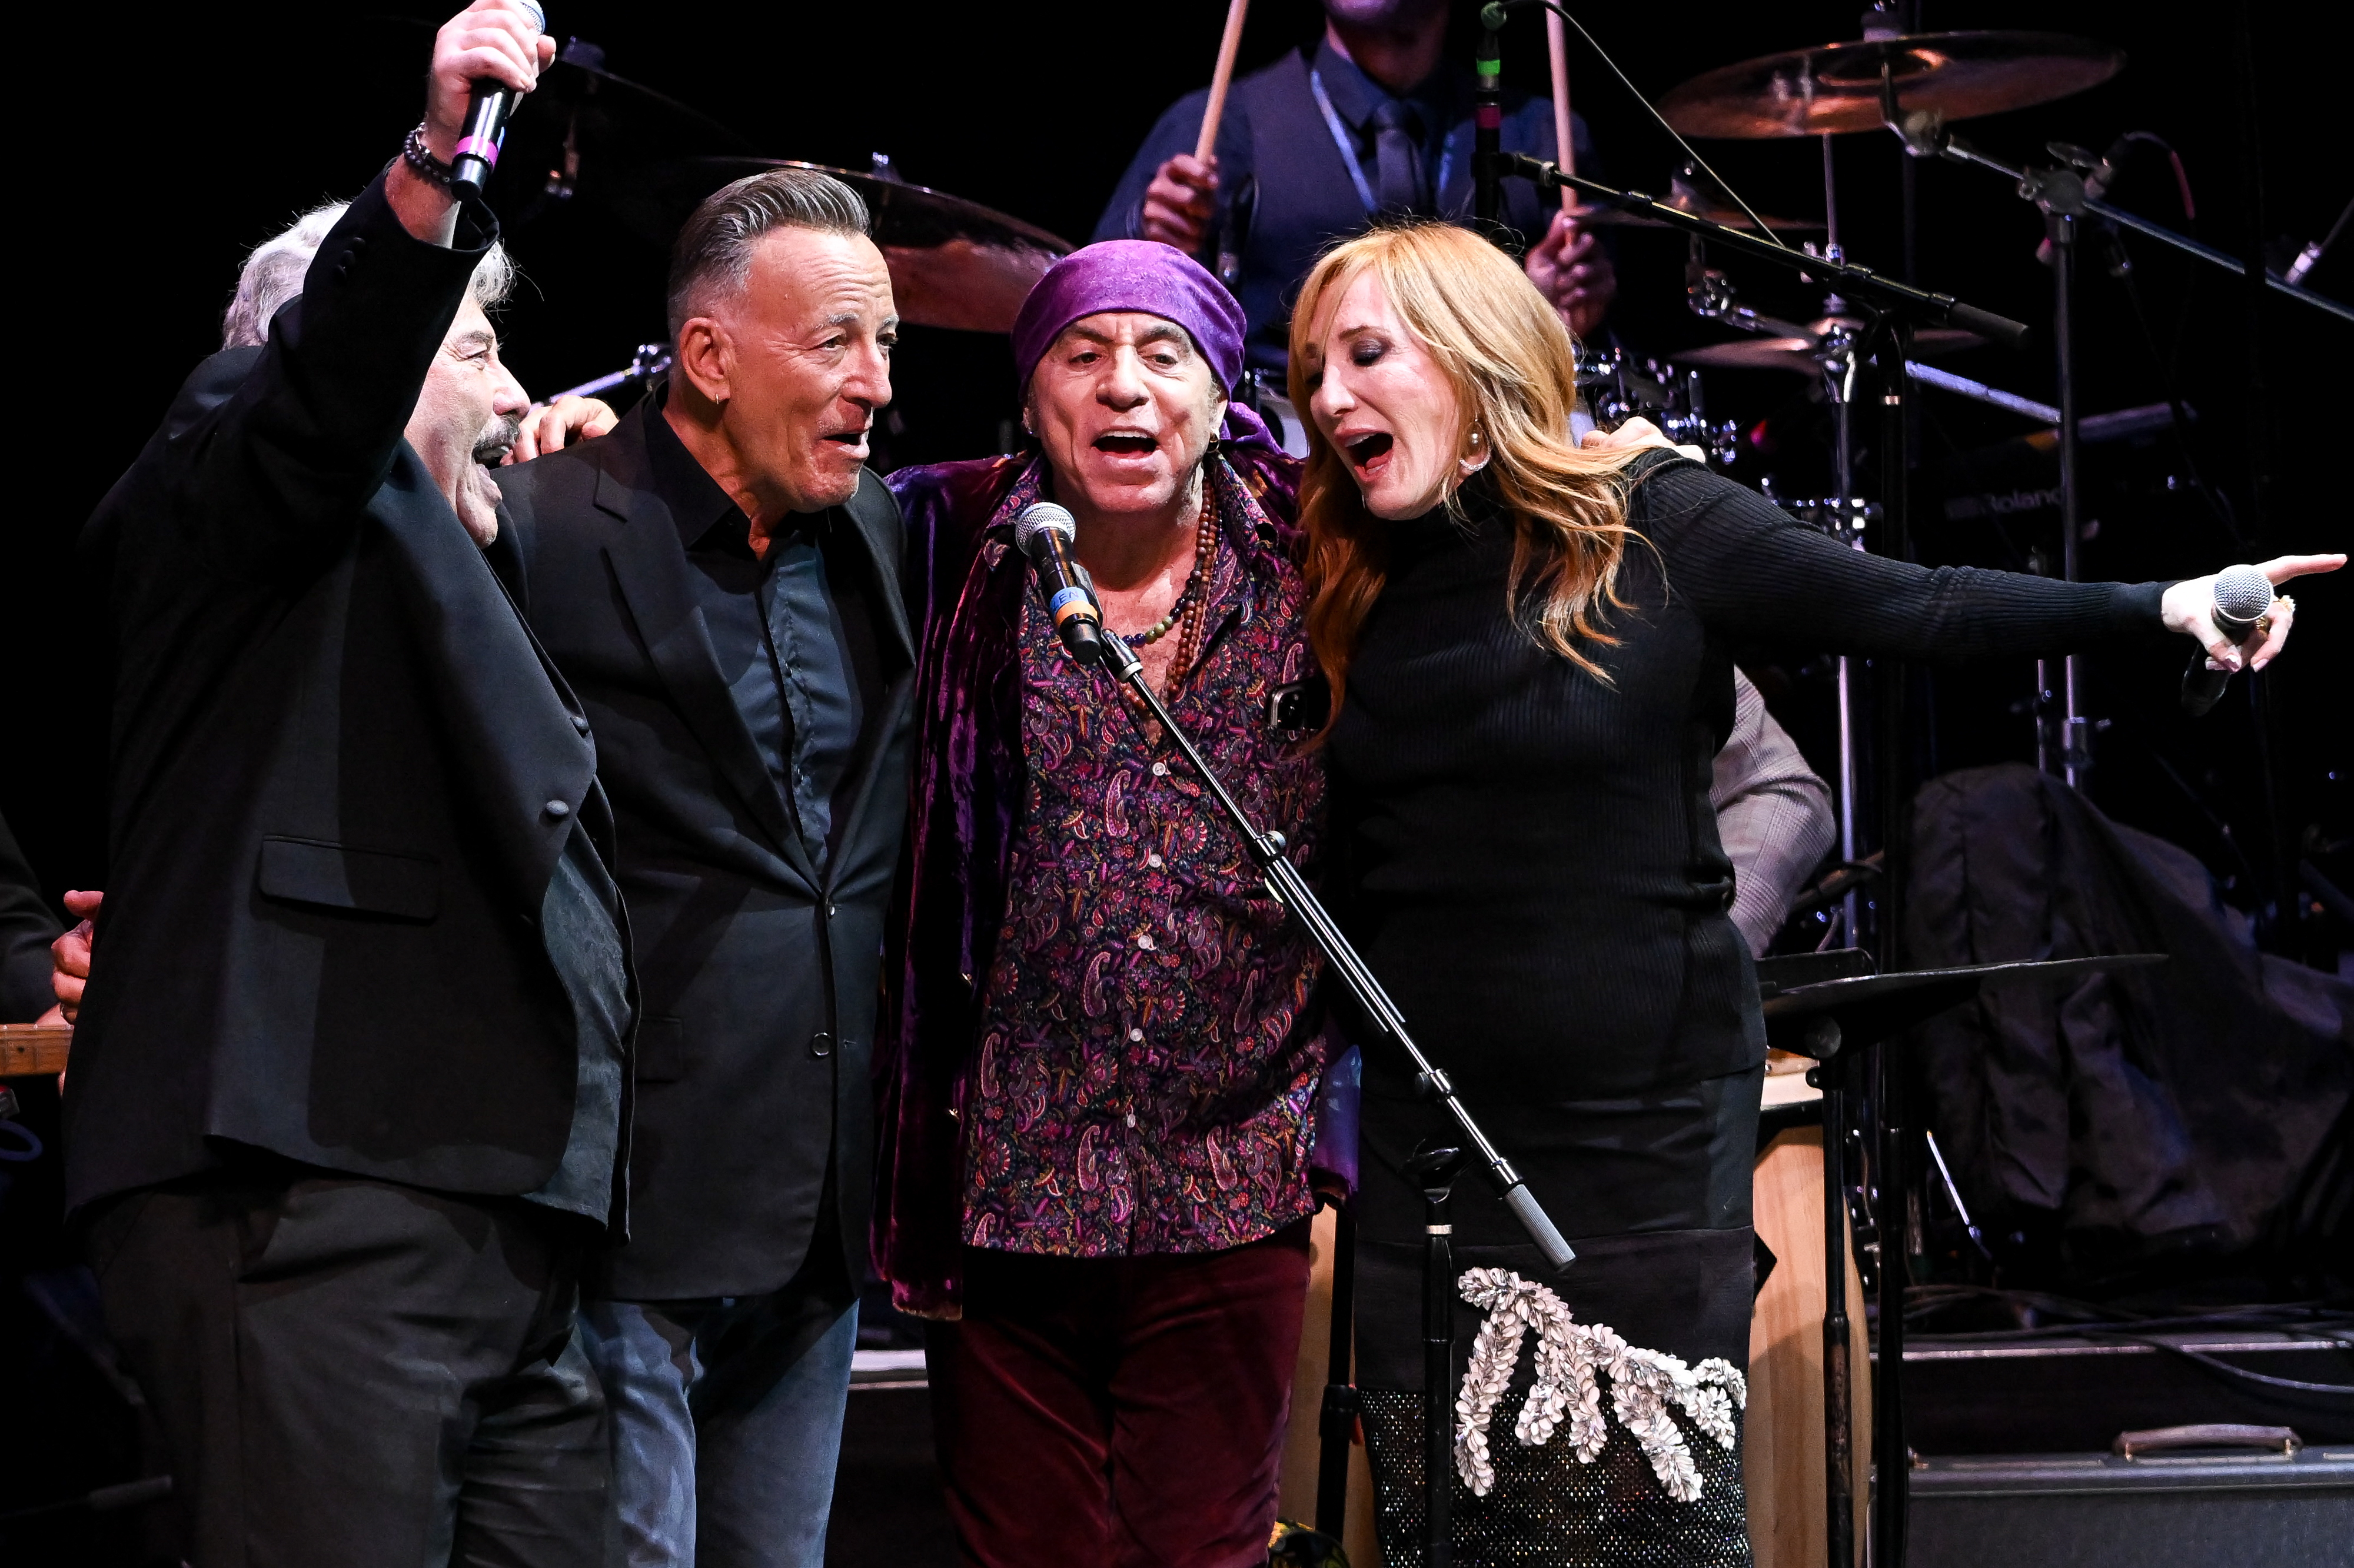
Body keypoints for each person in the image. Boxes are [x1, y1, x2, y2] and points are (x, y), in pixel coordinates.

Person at [1284, 219, 2339, 1563]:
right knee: (1459, 1527)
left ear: (1474, 352)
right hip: (1432, 1144)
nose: (1327, 398)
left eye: (1366, 353)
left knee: (1638, 1525)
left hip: (1639, 1133)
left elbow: (1922, 605)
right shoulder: (1354, 573)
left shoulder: (1650, 521)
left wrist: (2160, 601)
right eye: (1313, 367)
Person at [63, 5, 633, 1564]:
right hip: (306, 1200)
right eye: (479, 345)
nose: (519, 393)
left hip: (508, 1231)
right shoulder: (239, 445)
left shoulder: (475, 577)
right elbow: (328, 381)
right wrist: (444, 171)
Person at [877, 241, 1326, 1567]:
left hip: (1233, 1174)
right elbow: (762, 503)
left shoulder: (1313, 547)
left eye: (1160, 355)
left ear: (1220, 388)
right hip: (1009, 1188)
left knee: (1206, 1550)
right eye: (1081, 358)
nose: (1122, 389)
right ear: (1029, 400)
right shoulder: (945, 536)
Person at [493, 167, 915, 1568]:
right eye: (837, 341)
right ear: (709, 355)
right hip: (632, 1203)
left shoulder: (877, 530)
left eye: (887, 344)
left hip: (816, 1211)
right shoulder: (548, 521)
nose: (875, 382)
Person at [1097, 0, 1615, 378]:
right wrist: (1150, 246)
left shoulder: (1544, 136)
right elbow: (1095, 314)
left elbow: (1611, 365)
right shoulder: (1215, 127)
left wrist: (1547, 323)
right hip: (1280, 486)